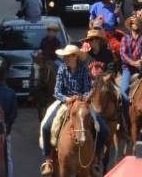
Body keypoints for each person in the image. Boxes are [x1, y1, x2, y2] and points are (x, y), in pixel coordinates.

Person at [40, 44, 108, 176]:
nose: (65, 58)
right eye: (64, 56)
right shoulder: (61, 69)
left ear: (75, 57)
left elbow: (88, 88)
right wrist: (67, 99)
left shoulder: (83, 69)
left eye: (68, 56)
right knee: (46, 127)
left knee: (104, 130)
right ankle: (48, 160)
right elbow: (57, 91)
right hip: (65, 103)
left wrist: (83, 97)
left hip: (82, 103)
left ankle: (95, 160)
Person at [120, 16, 142, 105]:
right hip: (128, 67)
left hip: (140, 67)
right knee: (124, 90)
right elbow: (123, 54)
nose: (135, 24)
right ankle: (125, 111)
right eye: (133, 23)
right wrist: (133, 62)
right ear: (131, 25)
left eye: (137, 23)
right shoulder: (125, 38)